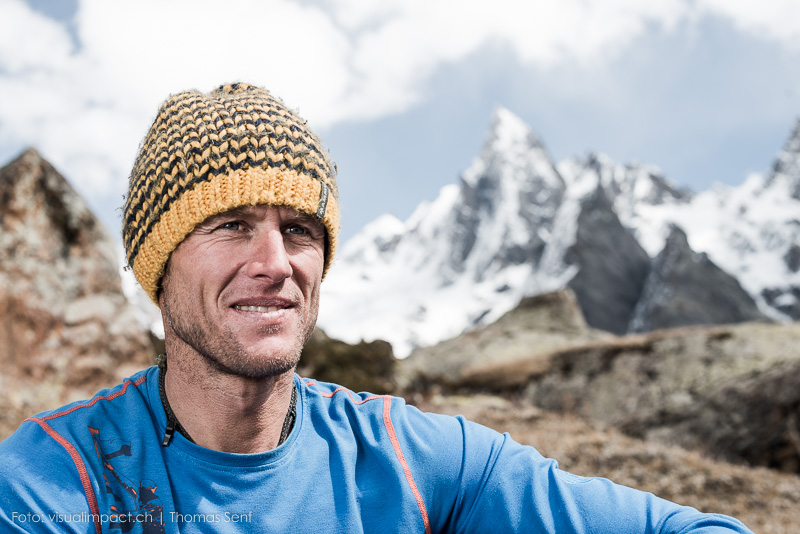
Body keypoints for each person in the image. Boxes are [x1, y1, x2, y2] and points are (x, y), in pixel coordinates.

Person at [0, 82, 752, 533]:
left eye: (299, 231)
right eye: (230, 226)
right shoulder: (54, 483)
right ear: (157, 267)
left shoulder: (412, 459)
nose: (275, 264)